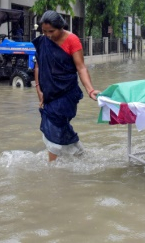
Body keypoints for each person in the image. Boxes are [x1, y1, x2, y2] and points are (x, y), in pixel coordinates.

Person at [32, 10, 100, 162]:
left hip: (66, 94)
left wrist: (90, 90)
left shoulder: (72, 40)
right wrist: (39, 89)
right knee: (60, 126)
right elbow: (38, 66)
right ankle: (79, 152)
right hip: (49, 94)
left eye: (51, 31)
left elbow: (81, 68)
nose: (48, 35)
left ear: (61, 27)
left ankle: (52, 167)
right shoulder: (43, 42)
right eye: (44, 32)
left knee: (54, 125)